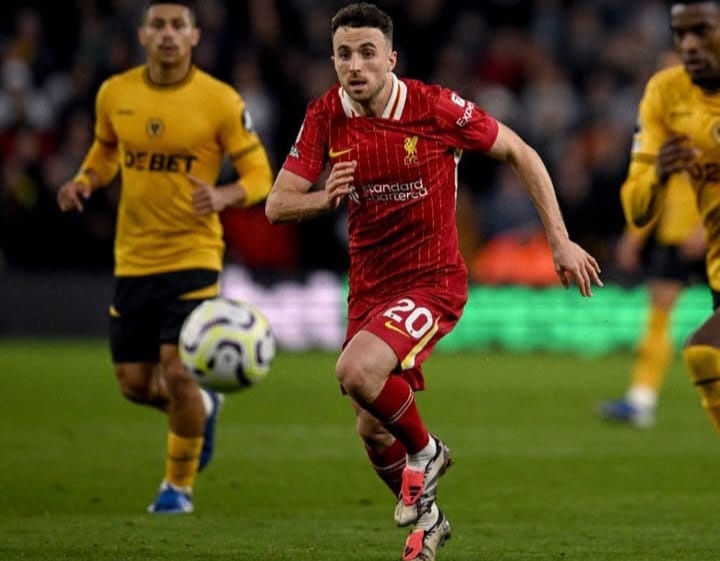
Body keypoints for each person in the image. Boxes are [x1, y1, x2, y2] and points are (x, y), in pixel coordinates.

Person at [265, 3, 602, 560]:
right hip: (368, 286)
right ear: (333, 60)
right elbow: (277, 205)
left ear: (391, 59)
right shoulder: (325, 114)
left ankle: (427, 452)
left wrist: (559, 241)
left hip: (431, 279)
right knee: (372, 430)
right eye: (344, 54)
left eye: (367, 52)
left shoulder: (434, 107)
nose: (355, 65)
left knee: (355, 370)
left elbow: (521, 152)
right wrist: (323, 199)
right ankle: (430, 521)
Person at [56, 0, 273, 514]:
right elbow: (106, 150)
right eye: (159, 25)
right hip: (134, 257)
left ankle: (177, 488)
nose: (168, 34)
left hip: (195, 255)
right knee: (135, 384)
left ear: (195, 36)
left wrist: (223, 196)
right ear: (143, 34)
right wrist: (85, 180)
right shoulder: (115, 93)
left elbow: (260, 176)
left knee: (177, 371)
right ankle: (204, 406)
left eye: (179, 25)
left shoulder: (220, 100)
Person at [621, 0, 720, 441]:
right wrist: (657, 179)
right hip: (683, 234)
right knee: (677, 326)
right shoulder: (665, 100)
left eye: (702, 32)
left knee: (703, 349)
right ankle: (642, 396)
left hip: (699, 233)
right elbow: (639, 201)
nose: (690, 46)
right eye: (681, 35)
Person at [597, 211, 705, 428]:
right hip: (676, 238)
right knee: (658, 319)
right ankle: (641, 400)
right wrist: (633, 237)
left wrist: (705, 228)